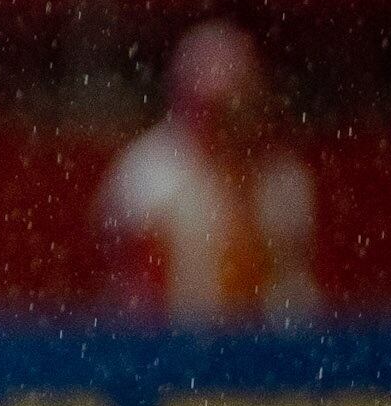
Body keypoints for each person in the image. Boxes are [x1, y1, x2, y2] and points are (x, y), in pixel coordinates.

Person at [98, 21, 316, 324]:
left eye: (237, 103)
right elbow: (136, 299)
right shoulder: (146, 176)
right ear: (183, 99)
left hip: (265, 355)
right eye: (211, 106)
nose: (225, 119)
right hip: (174, 354)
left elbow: (291, 288)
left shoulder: (281, 179)